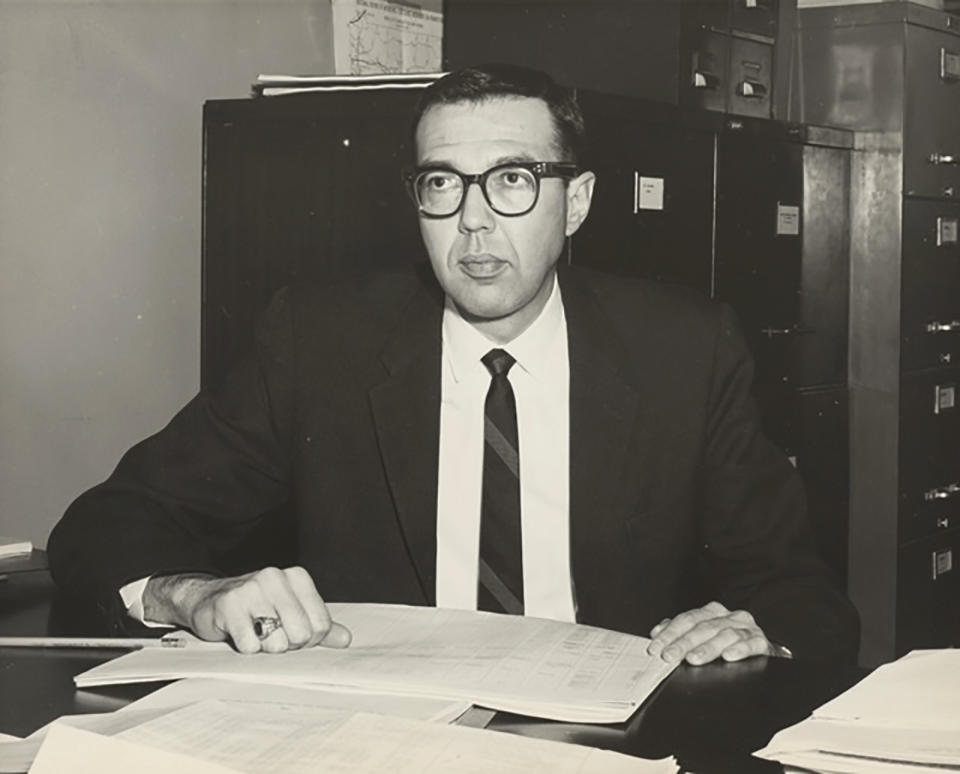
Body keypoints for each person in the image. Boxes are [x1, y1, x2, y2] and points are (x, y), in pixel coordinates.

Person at [48, 64, 859, 665]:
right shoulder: (318, 341)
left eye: (512, 180)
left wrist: (756, 632)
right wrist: (192, 594)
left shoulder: (683, 349)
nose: (472, 223)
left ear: (575, 202)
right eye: (442, 184)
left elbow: (801, 591)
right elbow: (106, 524)